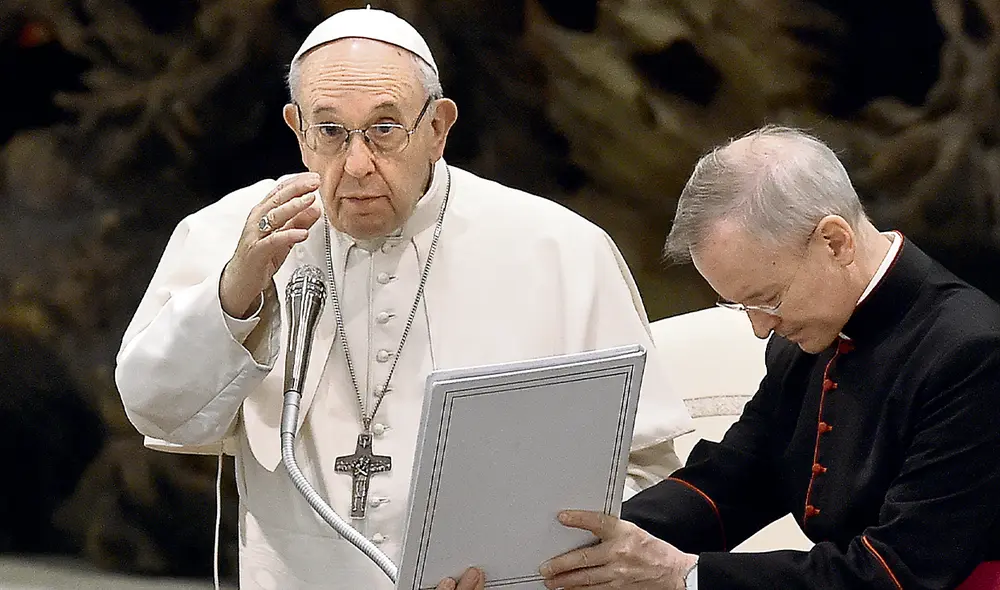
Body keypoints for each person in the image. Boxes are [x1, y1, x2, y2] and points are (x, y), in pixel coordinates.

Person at [114, 7, 692, 590]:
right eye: (331, 131)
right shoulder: (233, 235)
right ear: (297, 130)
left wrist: (521, 567)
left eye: (385, 129)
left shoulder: (561, 249)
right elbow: (158, 411)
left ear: (438, 127)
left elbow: (638, 470)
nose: (358, 165)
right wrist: (234, 295)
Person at [539, 126, 1000, 589]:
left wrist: (686, 575)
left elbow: (899, 572)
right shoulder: (810, 332)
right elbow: (734, 479)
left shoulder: (973, 352)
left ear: (835, 242)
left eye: (769, 298)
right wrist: (575, 547)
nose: (760, 328)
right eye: (742, 306)